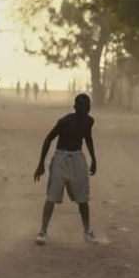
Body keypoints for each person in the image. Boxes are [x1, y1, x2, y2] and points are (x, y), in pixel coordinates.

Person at [33, 94, 98, 244]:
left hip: (78, 159)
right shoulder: (65, 121)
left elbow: (88, 138)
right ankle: (43, 231)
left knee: (83, 197)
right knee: (52, 196)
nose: (85, 109)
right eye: (82, 106)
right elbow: (49, 138)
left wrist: (94, 159)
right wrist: (41, 163)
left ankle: (87, 231)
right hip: (61, 159)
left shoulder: (89, 121)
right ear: (75, 107)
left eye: (87, 106)